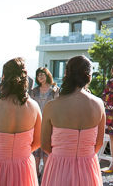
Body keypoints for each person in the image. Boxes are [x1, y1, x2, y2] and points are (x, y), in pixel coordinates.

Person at [0, 57, 41, 186]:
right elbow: (39, 141)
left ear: (4, 77)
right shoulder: (34, 107)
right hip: (23, 167)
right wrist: (21, 152)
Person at [40, 55, 104, 186]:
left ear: (66, 73)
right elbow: (99, 143)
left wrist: (63, 154)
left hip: (59, 167)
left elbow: (45, 145)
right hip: (88, 167)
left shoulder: (52, 106)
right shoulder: (98, 104)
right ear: (89, 76)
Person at [30, 67, 59, 177]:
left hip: (50, 123)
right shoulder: (34, 91)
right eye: (38, 75)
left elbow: (58, 106)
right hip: (36, 122)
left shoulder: (55, 90)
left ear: (47, 75)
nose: (40, 77)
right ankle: (35, 173)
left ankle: (46, 175)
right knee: (36, 150)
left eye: (42, 74)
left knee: (47, 149)